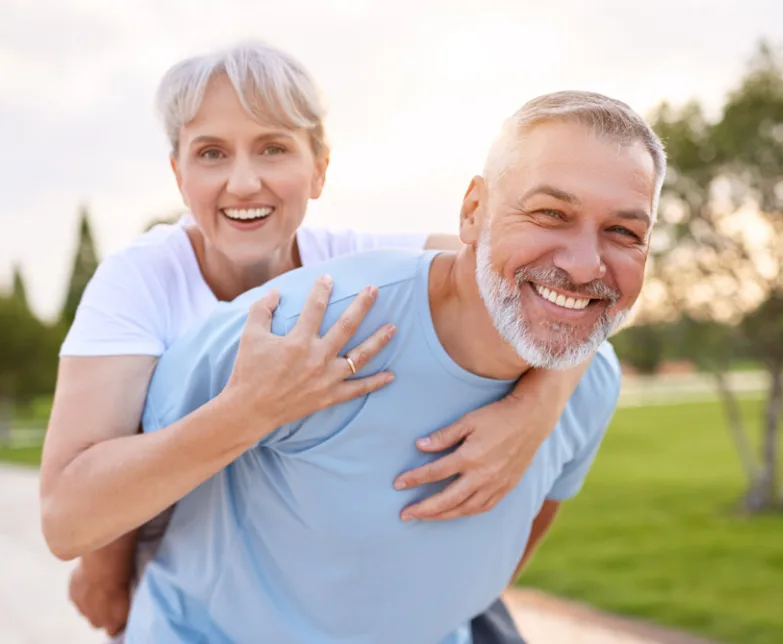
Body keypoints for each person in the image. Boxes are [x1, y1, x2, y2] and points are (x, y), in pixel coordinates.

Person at [37, 42, 594, 642]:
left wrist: (534, 410)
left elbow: (550, 288)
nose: (242, 182)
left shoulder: (361, 262)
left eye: (273, 148)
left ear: (320, 169)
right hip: (200, 601)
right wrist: (249, 412)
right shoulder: (139, 281)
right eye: (211, 153)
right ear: (179, 174)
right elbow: (67, 519)